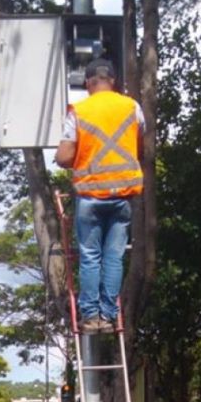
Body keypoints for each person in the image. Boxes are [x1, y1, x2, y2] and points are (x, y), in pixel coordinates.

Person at [55, 58, 145, 334]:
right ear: (113, 81)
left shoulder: (79, 111)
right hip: (122, 195)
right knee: (114, 257)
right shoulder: (132, 107)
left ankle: (91, 316)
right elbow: (137, 147)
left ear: (87, 83)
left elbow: (66, 156)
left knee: (91, 256)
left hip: (91, 195)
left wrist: (64, 158)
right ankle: (108, 317)